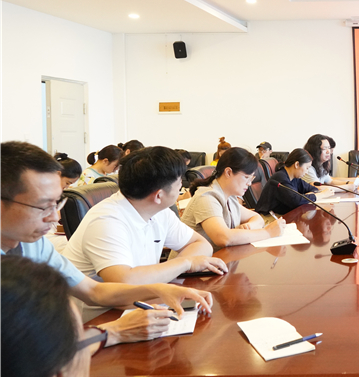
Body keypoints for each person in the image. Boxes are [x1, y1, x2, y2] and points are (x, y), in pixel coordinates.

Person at [0, 141, 212, 346]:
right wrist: (113, 332)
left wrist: (158, 290)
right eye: (43, 206)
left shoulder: (34, 244)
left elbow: (93, 291)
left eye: (57, 203)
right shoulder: (106, 219)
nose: (55, 217)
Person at [62, 146, 228, 284]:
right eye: (179, 183)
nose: (181, 188)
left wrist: (174, 268)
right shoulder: (106, 221)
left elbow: (201, 244)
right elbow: (124, 282)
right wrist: (186, 263)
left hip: (143, 300)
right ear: (158, 196)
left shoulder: (159, 212)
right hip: (102, 311)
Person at [181, 147, 285, 247]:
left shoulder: (230, 197)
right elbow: (223, 238)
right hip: (194, 259)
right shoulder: (206, 197)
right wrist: (268, 232)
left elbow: (257, 218)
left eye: (251, 178)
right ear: (228, 172)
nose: (249, 183)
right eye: (246, 177)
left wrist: (248, 227)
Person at [256, 148, 330, 215]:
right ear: (297, 164)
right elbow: (296, 201)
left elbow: (311, 188)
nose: (307, 172)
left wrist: (308, 196)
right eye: (307, 168)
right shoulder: (280, 178)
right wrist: (321, 195)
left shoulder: (294, 178)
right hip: (269, 218)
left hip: (283, 216)